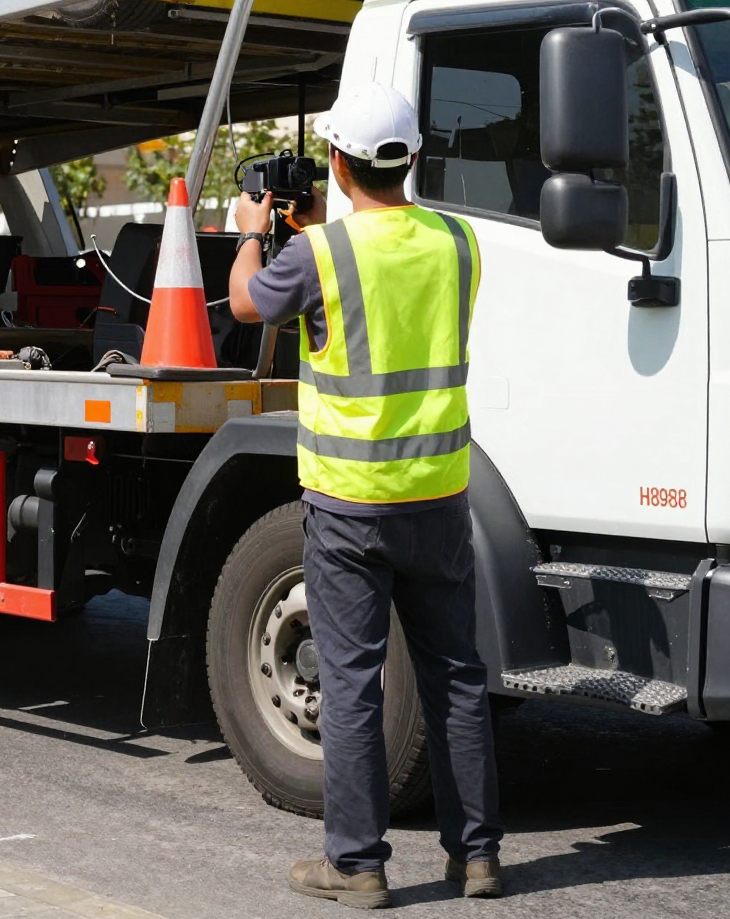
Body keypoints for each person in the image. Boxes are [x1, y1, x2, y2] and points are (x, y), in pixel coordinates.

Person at [229, 81, 503, 907]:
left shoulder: (318, 254)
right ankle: (478, 857)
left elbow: (246, 302)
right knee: (456, 675)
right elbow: (389, 274)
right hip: (438, 494)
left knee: (352, 683)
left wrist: (252, 233)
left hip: (349, 502)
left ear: (338, 163)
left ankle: (358, 865)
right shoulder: (459, 243)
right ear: (412, 158)